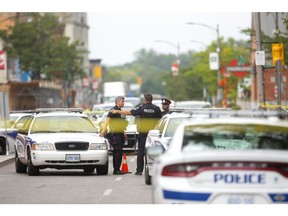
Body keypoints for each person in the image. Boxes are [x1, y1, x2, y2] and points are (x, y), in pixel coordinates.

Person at [111, 93, 162, 175]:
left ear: (145, 100)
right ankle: (156, 170)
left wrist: (117, 111)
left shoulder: (142, 108)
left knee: (141, 152)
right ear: (151, 100)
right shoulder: (156, 109)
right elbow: (161, 120)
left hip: (143, 133)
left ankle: (139, 171)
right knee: (155, 152)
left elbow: (129, 113)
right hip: (153, 134)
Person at [99, 96, 128, 175]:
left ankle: (118, 168)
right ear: (118, 102)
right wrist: (103, 131)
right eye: (122, 101)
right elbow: (107, 121)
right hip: (115, 134)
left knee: (119, 151)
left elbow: (121, 123)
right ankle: (116, 169)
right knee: (117, 152)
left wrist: (124, 133)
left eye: (123, 101)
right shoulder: (113, 110)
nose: (123, 103)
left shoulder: (120, 111)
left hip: (120, 133)